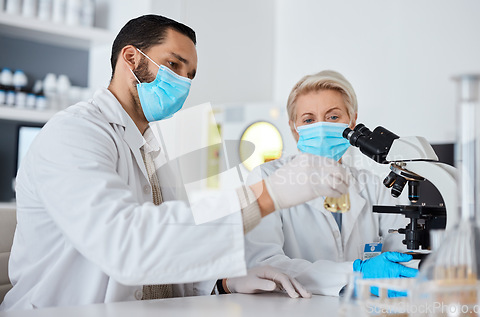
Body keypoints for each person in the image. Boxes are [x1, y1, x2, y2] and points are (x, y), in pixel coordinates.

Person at [0, 16, 352, 311]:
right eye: (173, 65)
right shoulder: (74, 133)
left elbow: (166, 247)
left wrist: (223, 280)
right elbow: (126, 244)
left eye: (190, 75)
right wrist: (266, 195)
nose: (182, 82)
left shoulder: (152, 147)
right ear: (130, 58)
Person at [244, 70, 418, 296]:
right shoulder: (265, 178)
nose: (322, 128)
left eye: (333, 117)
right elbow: (267, 264)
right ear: (294, 128)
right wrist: (355, 274)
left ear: (353, 121)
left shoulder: (374, 186)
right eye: (308, 119)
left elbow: (402, 252)